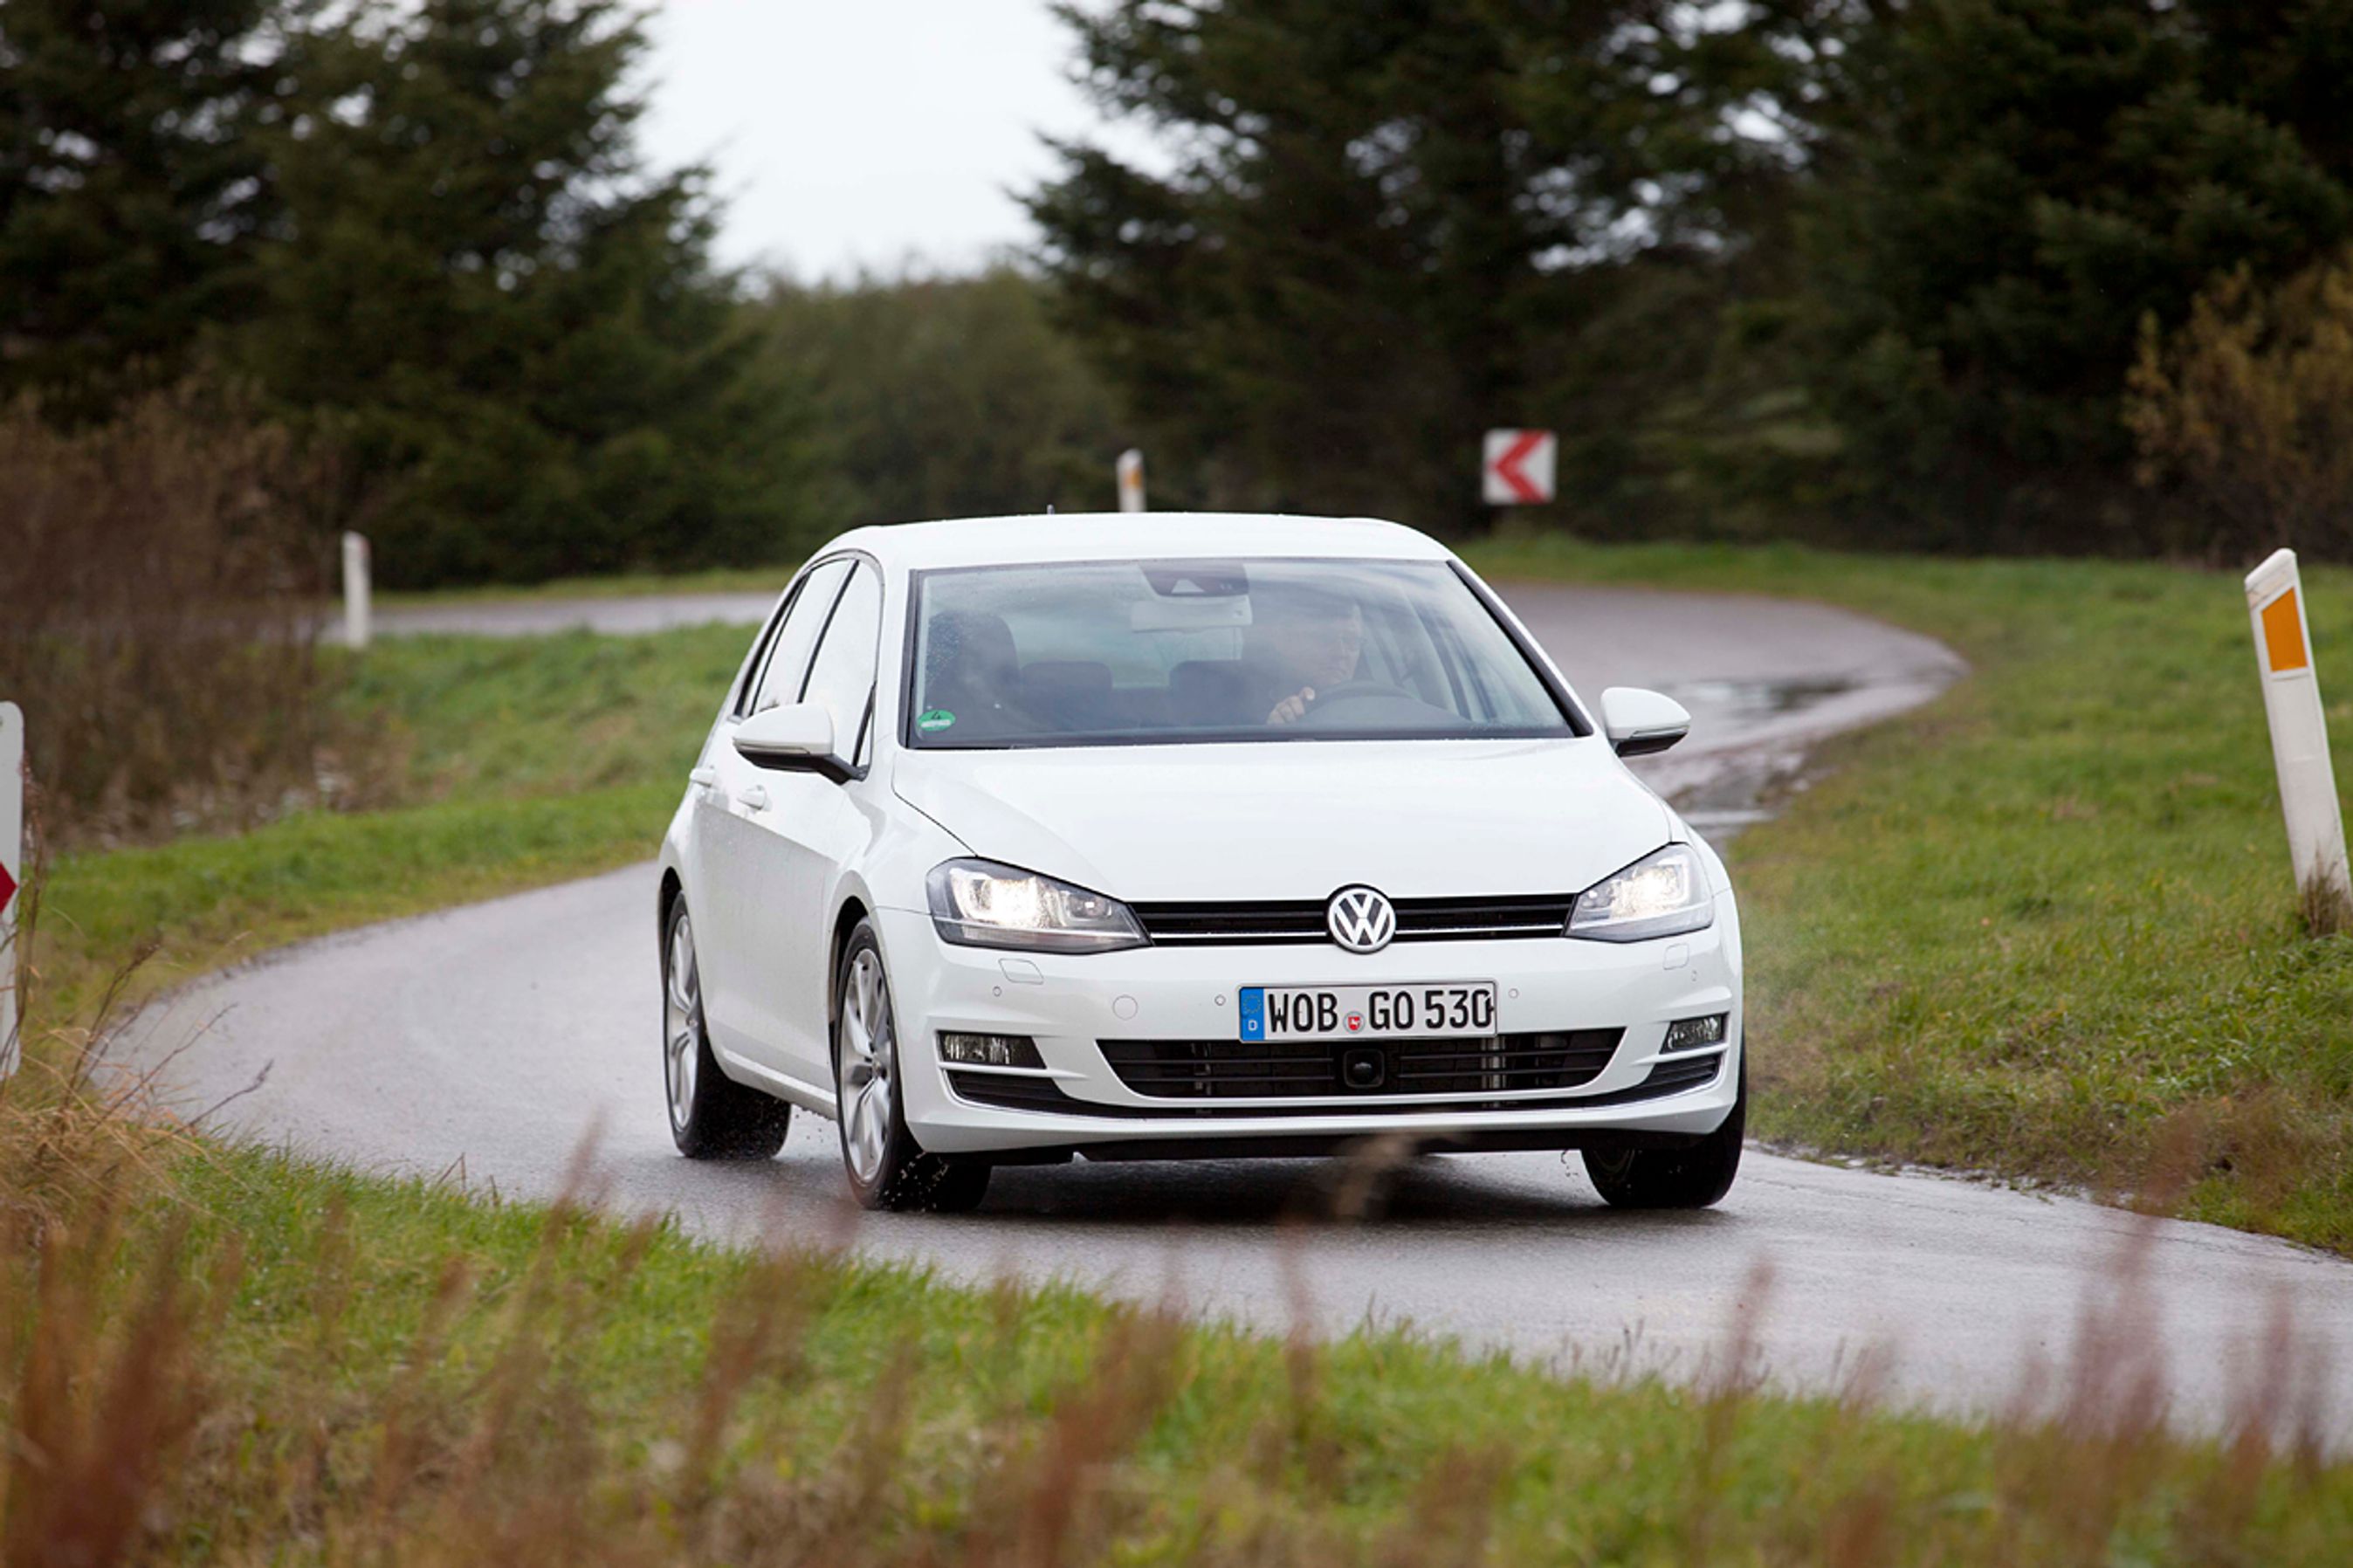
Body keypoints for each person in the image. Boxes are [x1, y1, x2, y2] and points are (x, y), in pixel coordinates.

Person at [1245, 586, 1365, 725]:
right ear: (1283, 640)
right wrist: (1274, 735)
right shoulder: (1238, 718)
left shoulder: (1378, 712)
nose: (1341, 653)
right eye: (1325, 638)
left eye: (1352, 641)